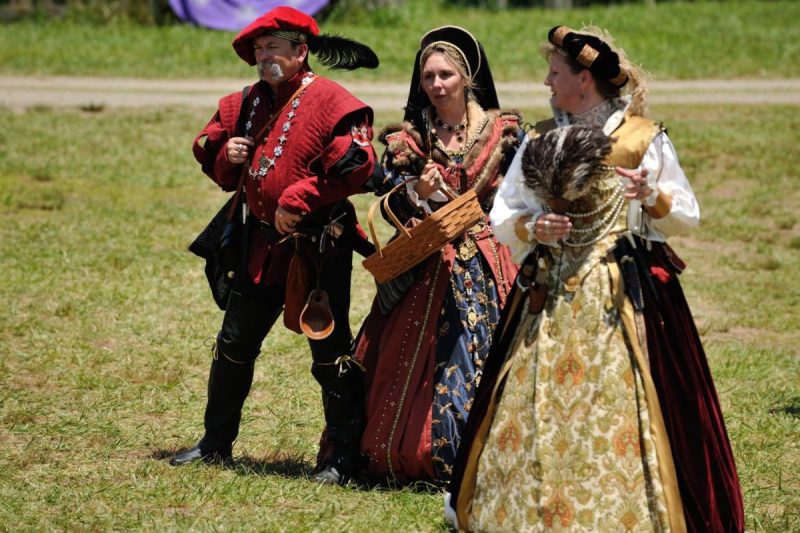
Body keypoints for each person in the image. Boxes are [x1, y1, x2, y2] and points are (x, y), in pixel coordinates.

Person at [447, 25, 745, 532]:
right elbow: (504, 213)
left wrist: (650, 195)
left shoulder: (639, 139)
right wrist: (533, 225)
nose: (546, 81)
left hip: (618, 293)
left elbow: (685, 216)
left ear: (583, 80)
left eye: (555, 72)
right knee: (535, 404)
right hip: (547, 295)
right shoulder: (542, 137)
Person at [169, 6, 380, 486]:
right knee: (234, 345)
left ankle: (341, 459)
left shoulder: (331, 100)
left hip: (316, 249)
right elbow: (211, 153)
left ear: (300, 52)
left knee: (329, 353)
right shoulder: (244, 103)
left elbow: (357, 164)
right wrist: (227, 156)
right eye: (260, 50)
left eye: (275, 49)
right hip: (258, 247)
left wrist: (300, 198)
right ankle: (214, 444)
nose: (266, 58)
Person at [351, 26, 521, 485]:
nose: (437, 84)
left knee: (488, 350)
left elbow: (525, 197)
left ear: (466, 76)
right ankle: (420, 452)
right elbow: (391, 208)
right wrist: (417, 195)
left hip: (490, 261)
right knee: (413, 358)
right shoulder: (408, 141)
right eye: (428, 76)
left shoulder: (503, 132)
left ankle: (490, 452)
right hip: (428, 264)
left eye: (446, 74)